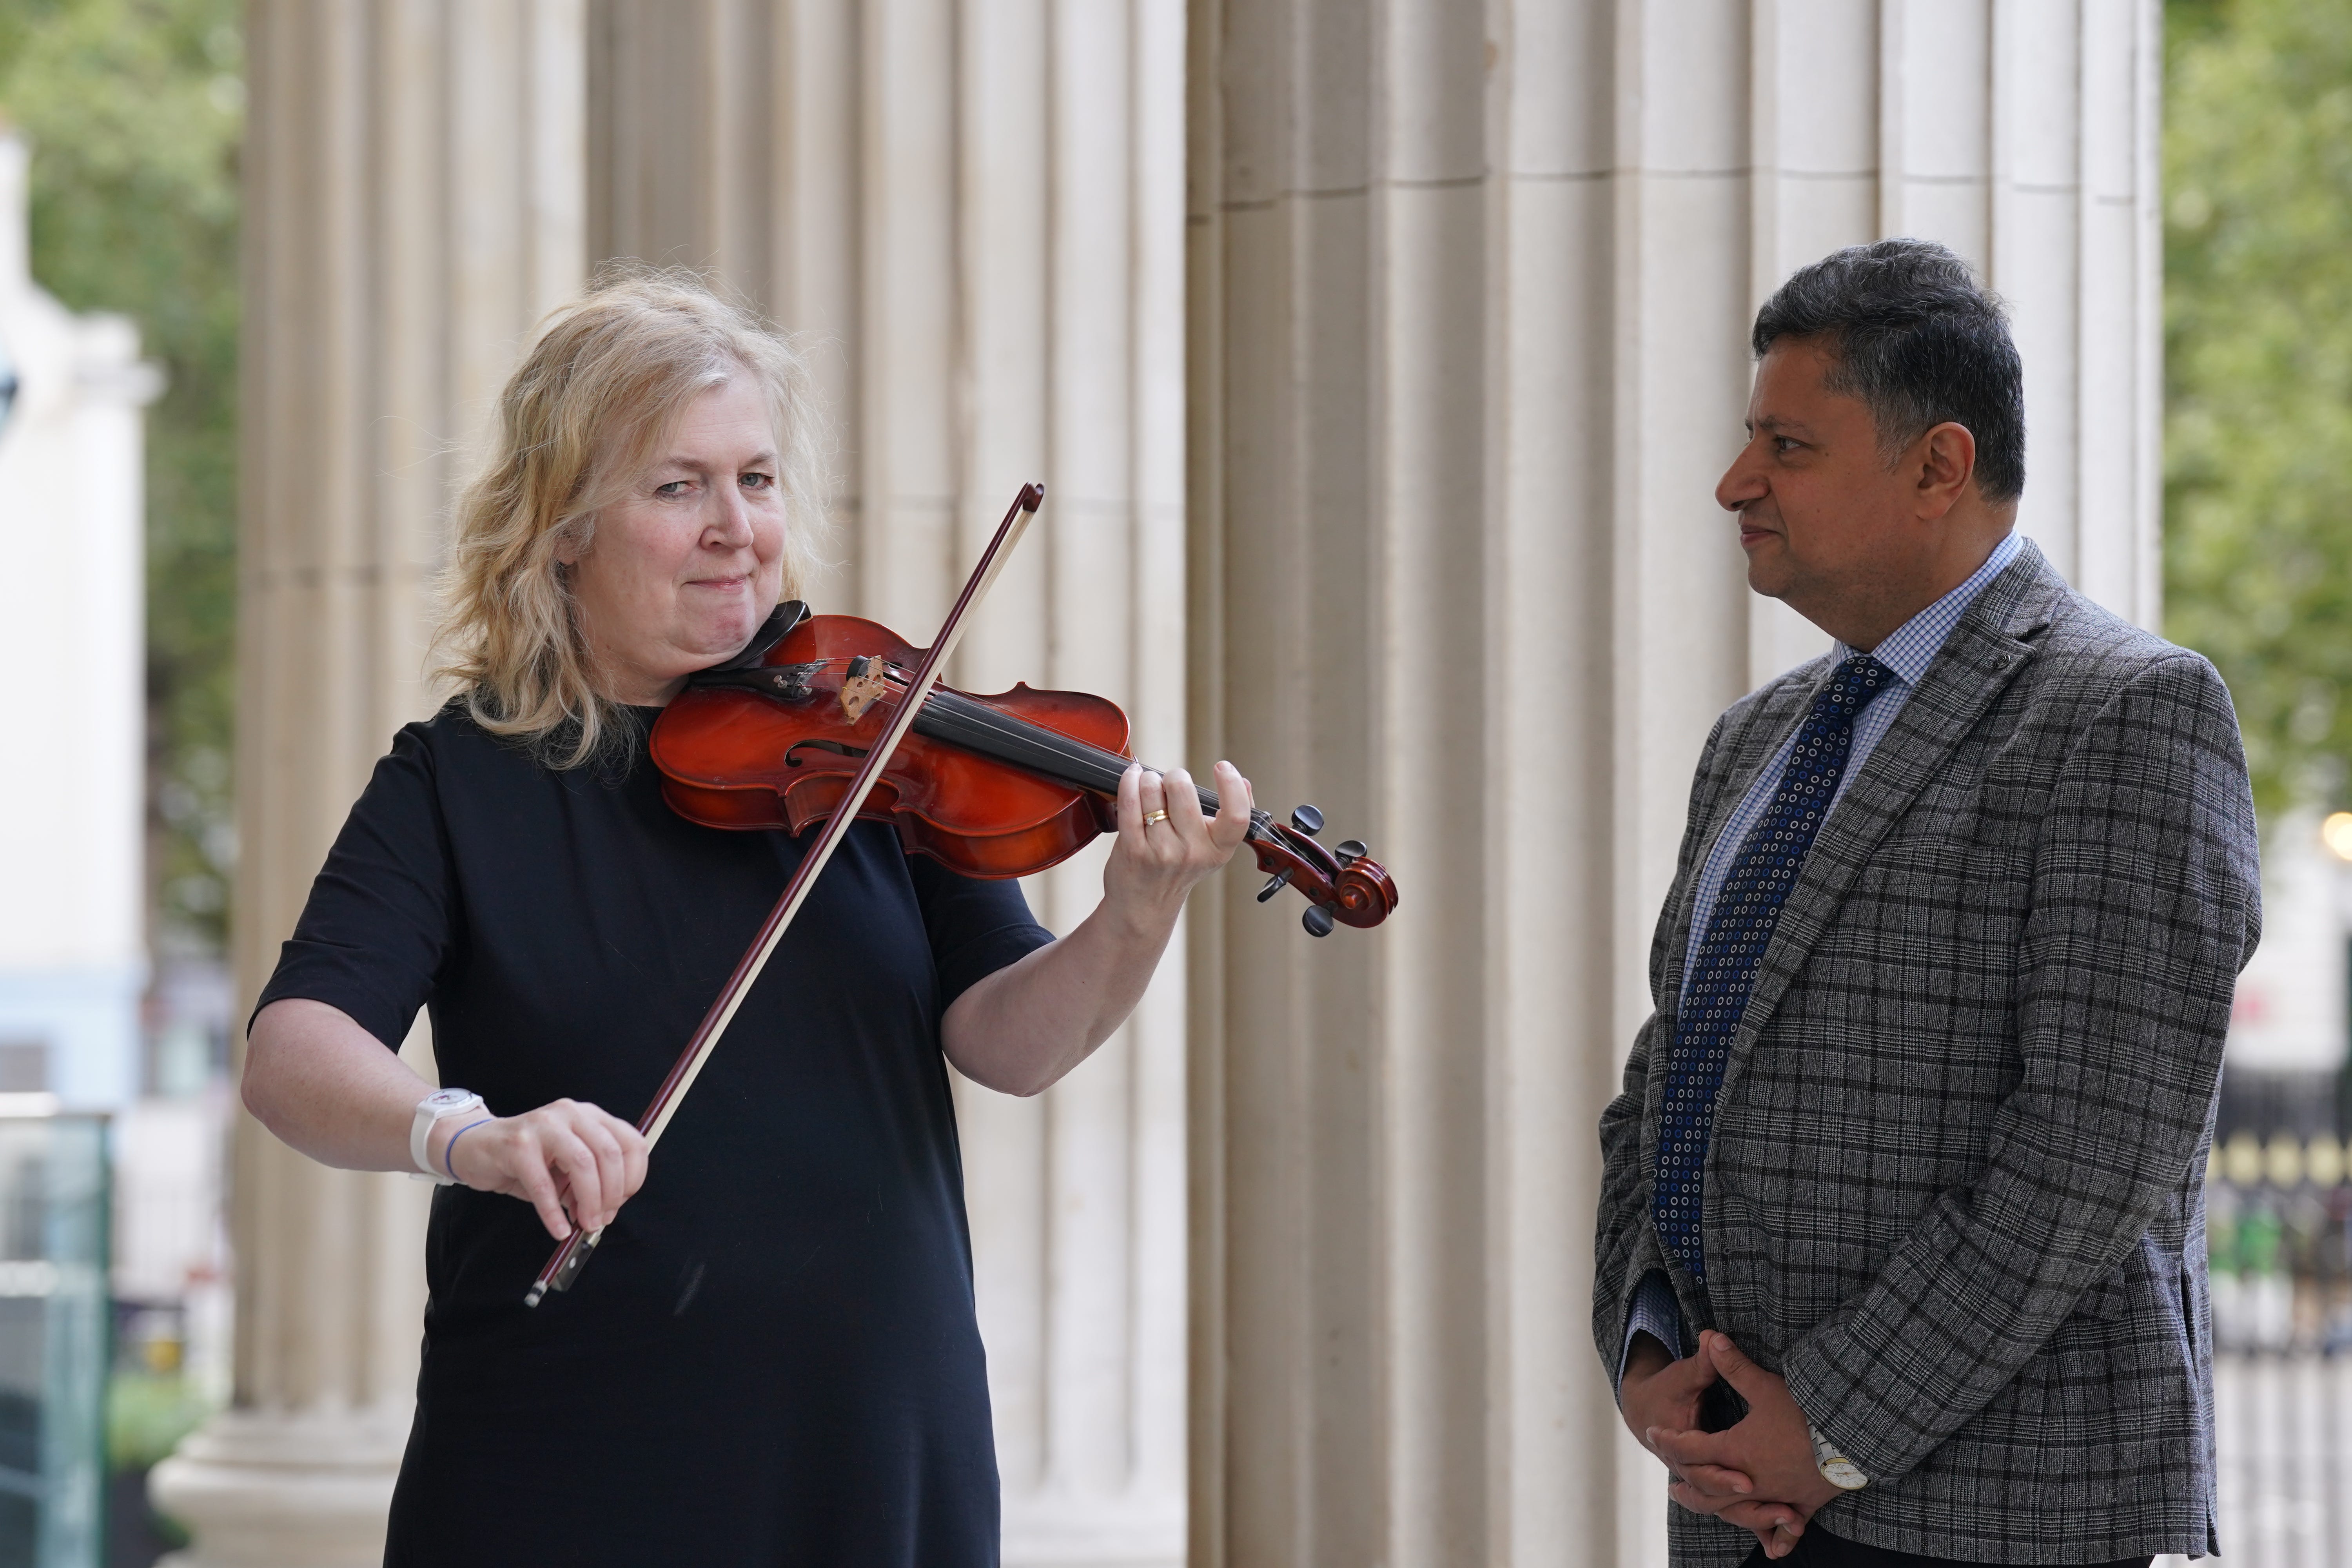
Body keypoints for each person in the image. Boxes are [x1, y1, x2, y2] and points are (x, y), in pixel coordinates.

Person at [239, 270, 1254, 1566]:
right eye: (679, 488)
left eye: (757, 480)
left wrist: (1137, 911)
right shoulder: (462, 781)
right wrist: (471, 1137)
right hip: (568, 1455)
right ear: (559, 529)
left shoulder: (871, 751)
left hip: (869, 1444)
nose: (737, 528)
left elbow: (1013, 1042)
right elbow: (295, 1051)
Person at [1592, 239, 2259, 1568]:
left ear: (1938, 466)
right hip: (1734, 1508)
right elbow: (1669, 1071)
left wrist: (1828, 1427)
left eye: (1787, 446)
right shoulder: (1752, 739)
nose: (1736, 483)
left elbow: (2093, 1148)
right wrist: (1644, 1341)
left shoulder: (2131, 712)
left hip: (1996, 1518)